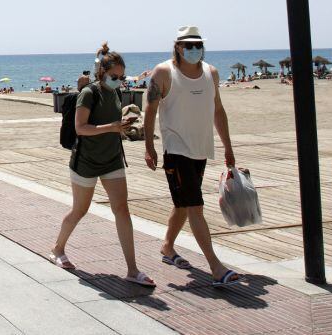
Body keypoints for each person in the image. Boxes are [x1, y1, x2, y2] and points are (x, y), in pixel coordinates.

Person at [50, 44, 155, 287]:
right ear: (102, 73)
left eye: (121, 77)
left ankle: (132, 269)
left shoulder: (115, 93)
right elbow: (81, 128)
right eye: (114, 77)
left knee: (122, 210)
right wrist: (112, 127)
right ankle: (57, 248)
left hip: (112, 159)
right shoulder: (89, 93)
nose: (119, 81)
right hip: (86, 161)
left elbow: (111, 122)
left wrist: (122, 125)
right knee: (79, 210)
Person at [143, 26, 241, 287]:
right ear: (177, 46)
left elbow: (218, 110)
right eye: (188, 45)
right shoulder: (164, 72)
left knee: (183, 205)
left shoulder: (211, 73)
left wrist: (228, 147)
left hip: (201, 149)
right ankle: (216, 268)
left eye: (197, 45)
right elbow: (150, 109)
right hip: (176, 150)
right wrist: (149, 146)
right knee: (195, 207)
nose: (193, 49)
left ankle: (167, 247)